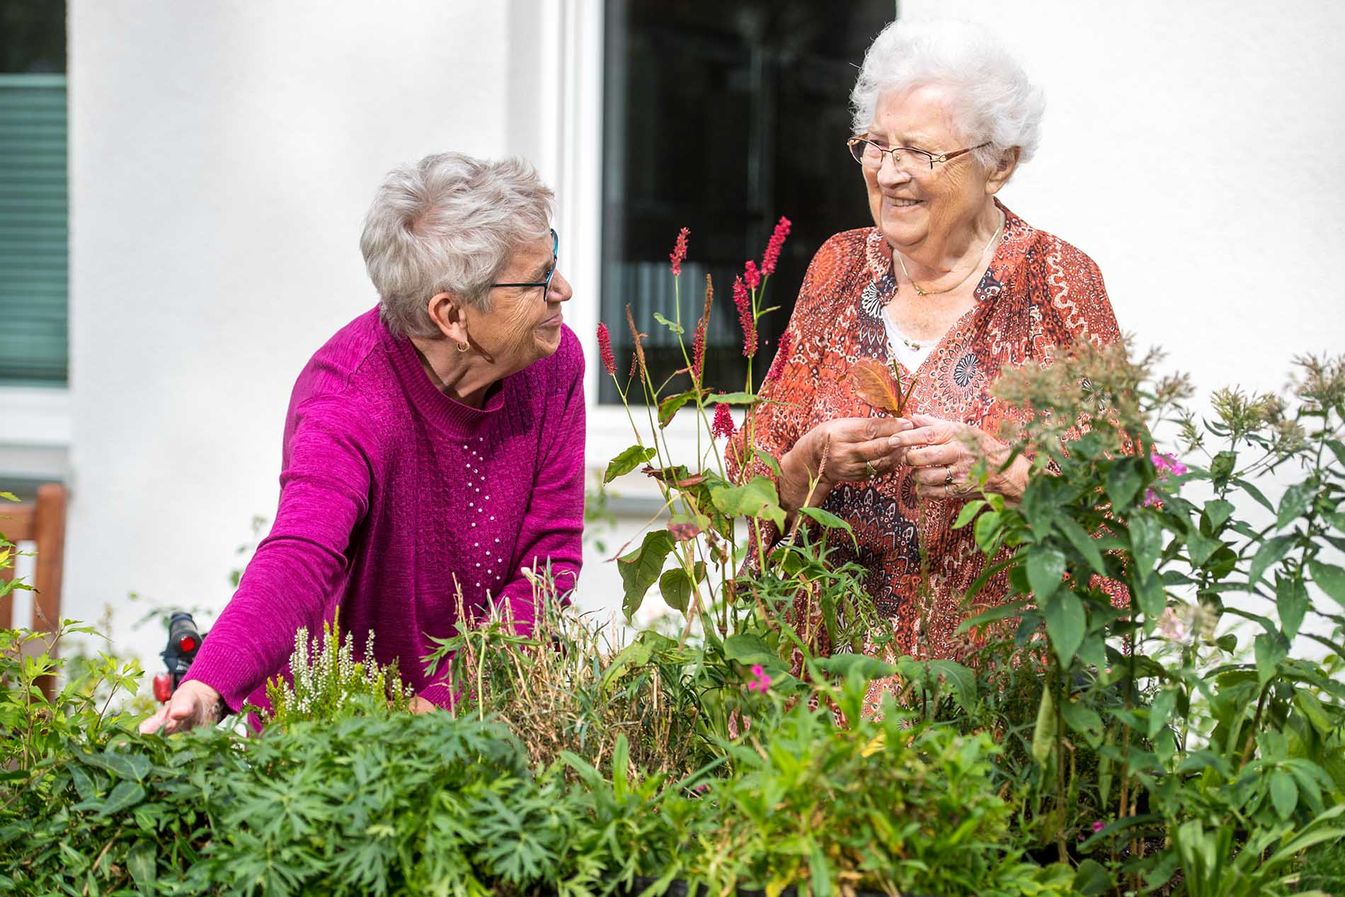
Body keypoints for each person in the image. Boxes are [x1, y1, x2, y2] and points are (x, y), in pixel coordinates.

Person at [141, 152, 585, 733]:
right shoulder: (348, 399)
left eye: (552, 262)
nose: (564, 290)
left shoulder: (553, 363)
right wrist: (208, 684)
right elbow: (300, 554)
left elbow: (547, 560)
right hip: (337, 729)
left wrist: (446, 704)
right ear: (451, 314)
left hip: (476, 717)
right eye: (537, 281)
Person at [742, 19, 1121, 660]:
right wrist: (812, 465)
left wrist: (1004, 473)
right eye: (875, 145)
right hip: (826, 707)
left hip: (991, 709)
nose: (889, 174)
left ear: (997, 166)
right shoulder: (837, 268)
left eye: (920, 152)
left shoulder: (1055, 282)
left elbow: (1118, 515)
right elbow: (747, 496)